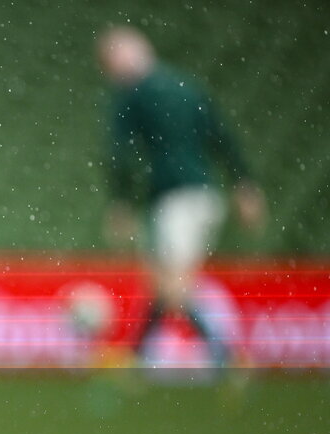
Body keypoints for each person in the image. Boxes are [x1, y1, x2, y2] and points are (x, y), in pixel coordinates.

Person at [97, 26, 267, 367]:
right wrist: (244, 184)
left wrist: (121, 202)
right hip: (205, 196)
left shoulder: (132, 93)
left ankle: (227, 356)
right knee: (162, 282)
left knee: (174, 286)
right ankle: (136, 357)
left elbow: (118, 153)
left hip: (174, 198)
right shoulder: (186, 86)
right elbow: (221, 135)